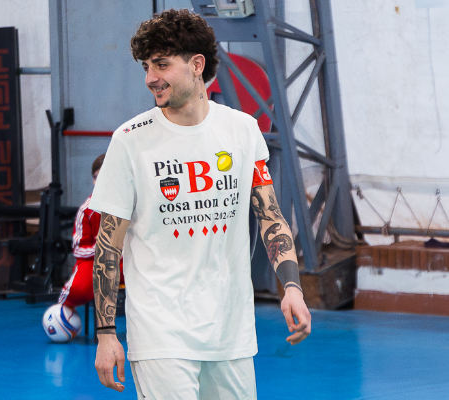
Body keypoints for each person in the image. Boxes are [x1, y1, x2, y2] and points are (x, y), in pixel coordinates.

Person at [89, 9, 311, 399]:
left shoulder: (242, 130)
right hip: (160, 333)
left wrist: (291, 286)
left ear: (196, 65)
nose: (150, 78)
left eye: (161, 64)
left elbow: (270, 218)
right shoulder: (130, 141)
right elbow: (109, 245)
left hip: (230, 331)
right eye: (146, 66)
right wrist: (106, 334)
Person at [57, 154, 124, 310]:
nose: (96, 182)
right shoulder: (87, 210)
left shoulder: (131, 204)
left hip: (127, 261)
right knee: (79, 289)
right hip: (97, 262)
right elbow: (79, 250)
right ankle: (63, 310)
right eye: (95, 177)